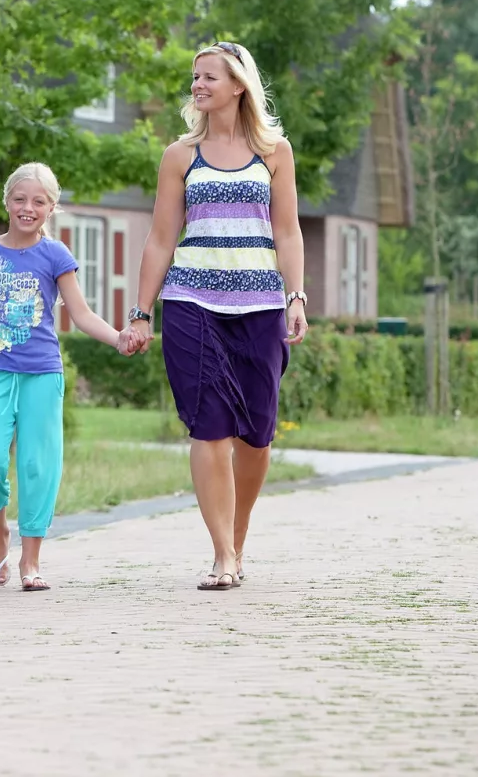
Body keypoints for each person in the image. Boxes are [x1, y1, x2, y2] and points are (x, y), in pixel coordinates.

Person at [127, 41, 309, 591]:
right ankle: (222, 554)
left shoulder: (275, 151)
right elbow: (161, 239)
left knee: (256, 436)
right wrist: (141, 312)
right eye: (194, 77)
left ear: (238, 85)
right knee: (208, 426)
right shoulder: (180, 155)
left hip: (259, 307)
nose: (197, 85)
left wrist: (295, 296)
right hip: (191, 302)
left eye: (208, 76)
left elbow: (288, 231)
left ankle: (238, 535)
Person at [0, 162, 135, 592]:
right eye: (20, 199)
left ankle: (30, 560)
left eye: (38, 201)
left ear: (51, 208)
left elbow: (82, 313)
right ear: (7, 202)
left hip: (41, 374)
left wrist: (117, 338)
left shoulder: (56, 255)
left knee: (38, 466)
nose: (27, 208)